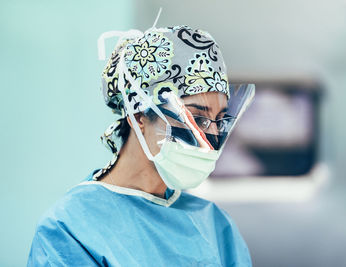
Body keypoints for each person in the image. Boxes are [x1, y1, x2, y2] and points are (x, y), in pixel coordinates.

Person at [27, 24, 255, 266]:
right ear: (139, 117)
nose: (210, 139)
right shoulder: (71, 230)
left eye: (219, 121)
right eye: (197, 118)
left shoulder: (214, 226)